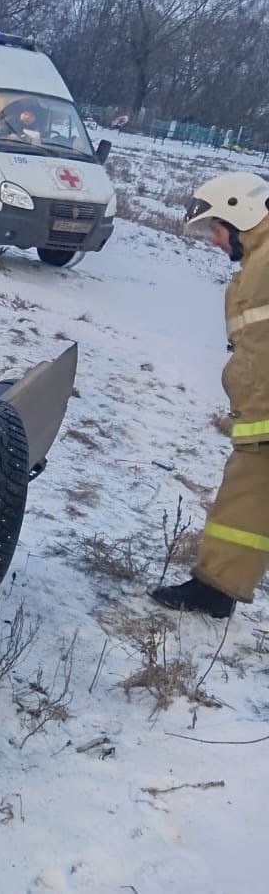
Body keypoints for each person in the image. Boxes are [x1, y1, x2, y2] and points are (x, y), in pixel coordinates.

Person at [152, 171, 269, 618]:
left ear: (243, 213)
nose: (216, 241)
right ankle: (216, 589)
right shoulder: (255, 266)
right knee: (244, 503)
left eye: (218, 229)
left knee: (245, 499)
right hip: (259, 415)